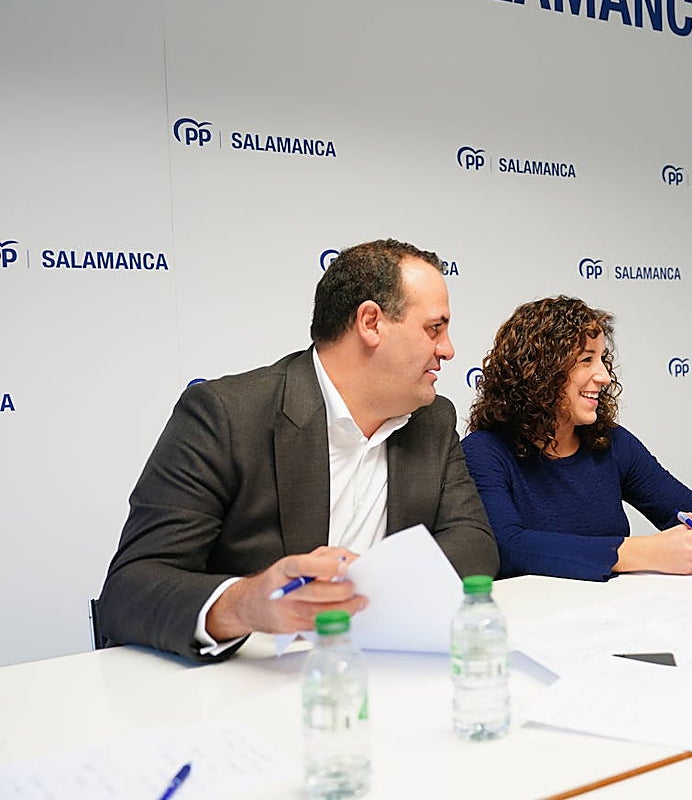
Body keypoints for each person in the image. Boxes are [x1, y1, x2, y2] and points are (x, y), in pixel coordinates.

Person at [98, 240, 499, 661]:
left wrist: (369, 580)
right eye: (434, 328)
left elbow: (475, 545)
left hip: (385, 670)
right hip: (247, 682)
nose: (448, 350)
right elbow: (129, 589)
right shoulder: (227, 416)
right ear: (371, 323)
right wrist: (244, 603)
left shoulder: (432, 420)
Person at [462, 296, 692, 580]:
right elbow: (508, 548)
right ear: (539, 372)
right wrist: (643, 552)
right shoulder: (484, 452)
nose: (605, 376)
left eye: (602, 359)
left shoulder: (611, 443)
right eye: (587, 360)